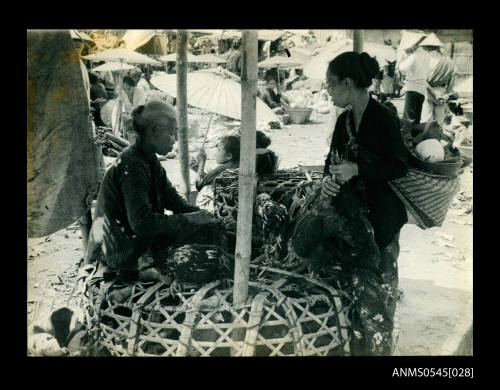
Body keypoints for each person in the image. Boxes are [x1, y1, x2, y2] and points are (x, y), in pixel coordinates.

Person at [322, 51, 409, 355]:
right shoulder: (343, 120)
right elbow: (330, 161)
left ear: (348, 83)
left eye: (331, 85)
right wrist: (329, 179)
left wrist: (357, 169)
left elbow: (399, 166)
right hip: (354, 219)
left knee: (380, 294)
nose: (328, 92)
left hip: (382, 220)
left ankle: (380, 350)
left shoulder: (383, 117)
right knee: (358, 289)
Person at [84, 101, 218, 283]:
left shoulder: (149, 158)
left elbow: (173, 200)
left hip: (137, 239)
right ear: (154, 131)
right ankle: (140, 270)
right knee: (201, 257)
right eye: (171, 133)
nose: (175, 140)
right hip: (121, 248)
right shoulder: (132, 164)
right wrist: (190, 219)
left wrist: (199, 214)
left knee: (209, 229)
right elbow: (142, 223)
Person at [419, 34, 456, 126]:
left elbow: (422, 79)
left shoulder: (425, 59)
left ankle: (428, 138)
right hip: (442, 91)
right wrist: (447, 92)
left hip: (428, 91)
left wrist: (434, 93)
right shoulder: (447, 60)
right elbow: (452, 78)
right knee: (440, 118)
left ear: (427, 47)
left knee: (426, 118)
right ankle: (439, 137)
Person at [398, 37, 431, 124]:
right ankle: (415, 136)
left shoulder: (414, 56)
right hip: (422, 90)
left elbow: (402, 68)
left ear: (414, 45)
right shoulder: (427, 55)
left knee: (408, 119)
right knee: (416, 118)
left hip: (412, 89)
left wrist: (403, 57)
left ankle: (408, 137)